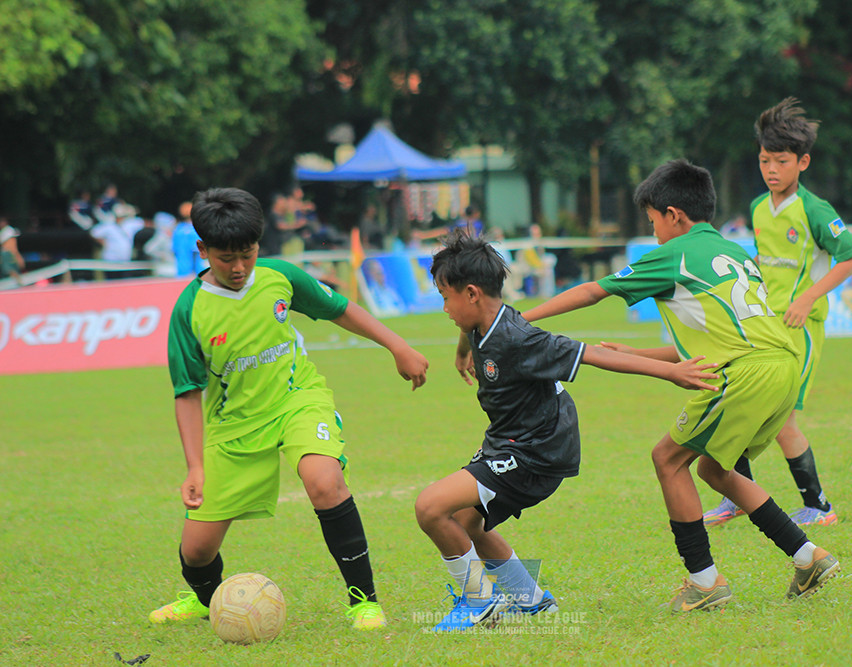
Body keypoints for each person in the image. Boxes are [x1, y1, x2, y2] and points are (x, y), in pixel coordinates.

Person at [520, 160, 841, 611]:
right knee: (713, 470)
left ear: (674, 215)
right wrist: (634, 354)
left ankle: (705, 582)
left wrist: (517, 318)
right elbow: (713, 344)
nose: (653, 234)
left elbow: (594, 291)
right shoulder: (733, 253)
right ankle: (808, 557)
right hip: (782, 366)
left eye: (653, 222)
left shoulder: (676, 253)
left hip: (747, 373)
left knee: (667, 459)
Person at [149, 187, 429, 631]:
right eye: (226, 258)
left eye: (248, 253)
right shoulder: (189, 310)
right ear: (202, 249)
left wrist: (397, 345)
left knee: (324, 480)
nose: (239, 267)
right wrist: (194, 466)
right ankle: (205, 600)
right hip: (234, 425)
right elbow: (187, 393)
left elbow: (339, 309)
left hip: (297, 400)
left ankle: (364, 602)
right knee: (197, 551)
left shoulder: (280, 276)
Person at [416, 229, 721, 631]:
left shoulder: (520, 339)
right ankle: (533, 603)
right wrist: (463, 350)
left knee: (429, 507)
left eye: (445, 297)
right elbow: (469, 330)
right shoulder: (481, 322)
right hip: (511, 440)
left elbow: (593, 356)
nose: (444, 308)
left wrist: (671, 371)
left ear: (472, 293)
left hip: (536, 451)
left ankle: (477, 601)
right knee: (468, 521)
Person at [701, 97, 852, 529]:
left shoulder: (815, 210)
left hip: (801, 329)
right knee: (736, 399)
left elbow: (850, 258)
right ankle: (736, 496)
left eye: (781, 161)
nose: (771, 169)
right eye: (764, 160)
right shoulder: (757, 208)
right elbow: (767, 257)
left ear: (803, 162)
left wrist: (807, 298)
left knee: (781, 418)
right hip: (764, 325)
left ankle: (819, 507)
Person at [172, 201, 203, 277]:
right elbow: (196, 250)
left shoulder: (178, 229)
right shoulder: (196, 229)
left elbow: (174, 249)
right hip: (197, 270)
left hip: (182, 269)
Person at [0, 215, 25, 284]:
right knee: (7, 271)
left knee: (11, 270)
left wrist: (18, 256)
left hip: (9, 254)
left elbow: (13, 247)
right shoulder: (3, 232)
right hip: (5, 254)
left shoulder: (8, 230)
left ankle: (19, 282)